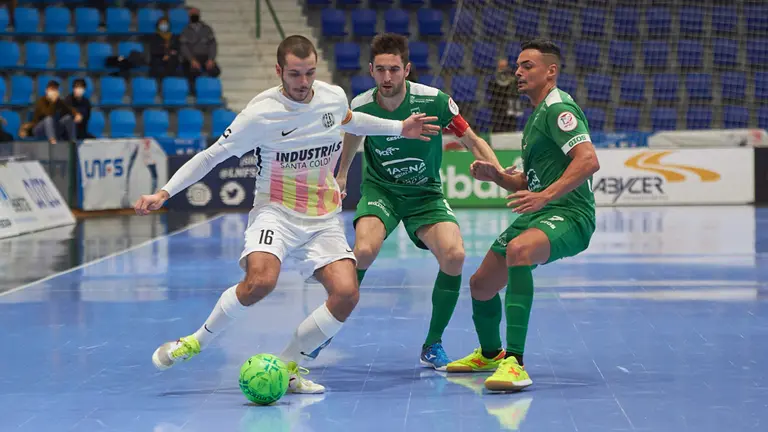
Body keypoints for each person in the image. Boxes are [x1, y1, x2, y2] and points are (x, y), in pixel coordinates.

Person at [133, 35, 441, 394]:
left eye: (310, 73)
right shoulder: (260, 113)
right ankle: (196, 341)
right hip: (275, 212)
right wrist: (165, 192)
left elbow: (352, 120)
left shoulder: (331, 96)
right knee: (260, 282)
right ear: (279, 71)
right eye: (295, 74)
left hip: (323, 217)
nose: (303, 83)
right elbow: (211, 156)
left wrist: (399, 128)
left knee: (347, 293)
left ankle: (289, 367)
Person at [334, 33, 502, 371]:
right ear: (370, 69)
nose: (387, 78)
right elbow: (352, 135)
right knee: (363, 251)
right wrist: (340, 176)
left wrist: (498, 173)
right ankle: (327, 324)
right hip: (382, 192)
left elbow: (470, 138)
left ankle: (433, 343)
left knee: (454, 257)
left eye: (394, 69)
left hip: (425, 194)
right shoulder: (362, 104)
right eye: (380, 70)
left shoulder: (435, 102)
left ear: (407, 69)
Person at [445, 39, 600, 392]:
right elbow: (527, 182)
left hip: (571, 214)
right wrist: (498, 177)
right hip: (542, 211)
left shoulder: (559, 109)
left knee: (519, 250)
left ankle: (515, 362)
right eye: (517, 65)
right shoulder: (535, 116)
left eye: (527, 65)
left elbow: (589, 161)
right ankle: (490, 355)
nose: (518, 72)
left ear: (551, 71)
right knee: (481, 285)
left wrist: (545, 196)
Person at [20, 81, 81, 145]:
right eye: (52, 89)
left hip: (54, 127)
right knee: (48, 119)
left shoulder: (58, 101)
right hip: (39, 128)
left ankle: (73, 141)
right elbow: (48, 113)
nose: (53, 92)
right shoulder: (41, 101)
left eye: (55, 90)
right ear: (47, 90)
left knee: (68, 118)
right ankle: (52, 141)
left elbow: (69, 109)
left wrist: (76, 114)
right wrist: (53, 102)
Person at [180, 6, 220, 81]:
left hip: (205, 57)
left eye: (196, 14)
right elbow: (184, 47)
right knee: (192, 71)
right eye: (192, 14)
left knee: (215, 71)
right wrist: (191, 60)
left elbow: (213, 45)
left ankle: (210, 88)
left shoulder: (207, 29)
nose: (194, 15)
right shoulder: (185, 30)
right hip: (191, 58)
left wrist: (211, 59)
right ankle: (193, 90)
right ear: (189, 16)